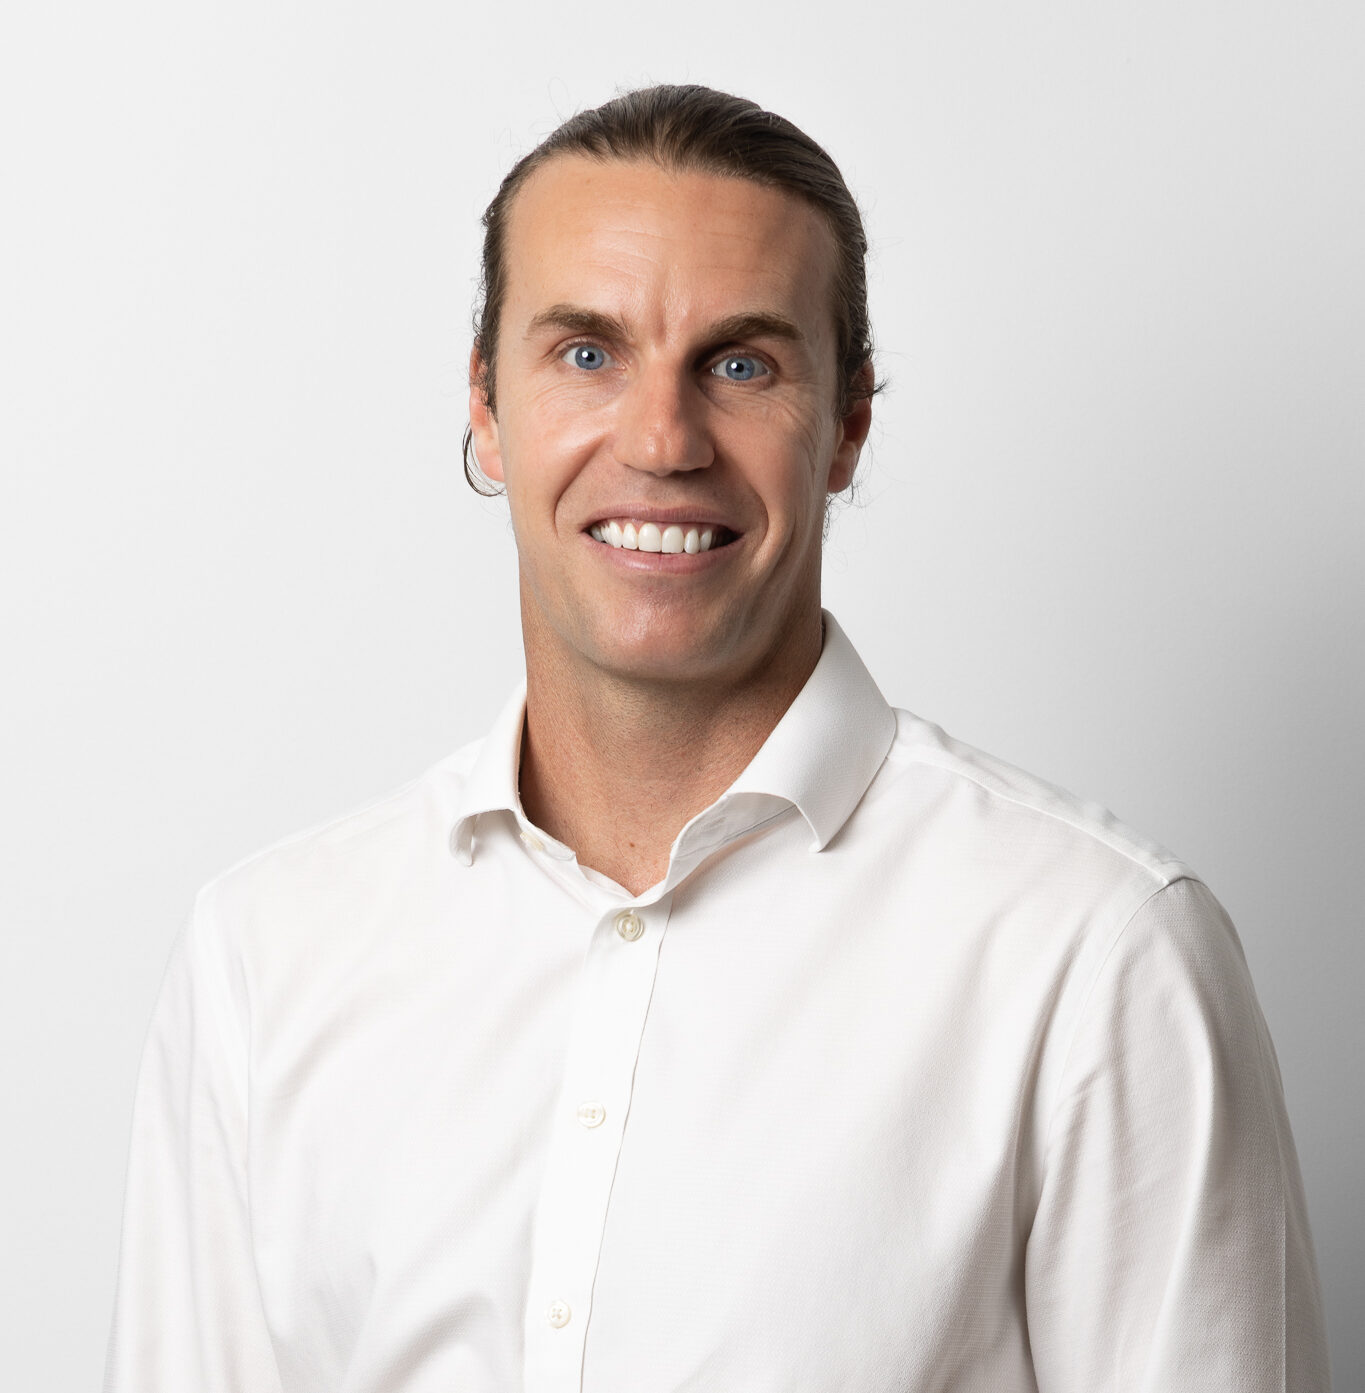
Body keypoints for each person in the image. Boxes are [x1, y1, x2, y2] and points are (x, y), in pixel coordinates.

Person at [104, 84, 1331, 1392]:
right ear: (485, 404)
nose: (659, 439)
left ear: (848, 421)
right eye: (586, 352)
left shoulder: (1091, 953)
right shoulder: (267, 955)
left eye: (739, 363)